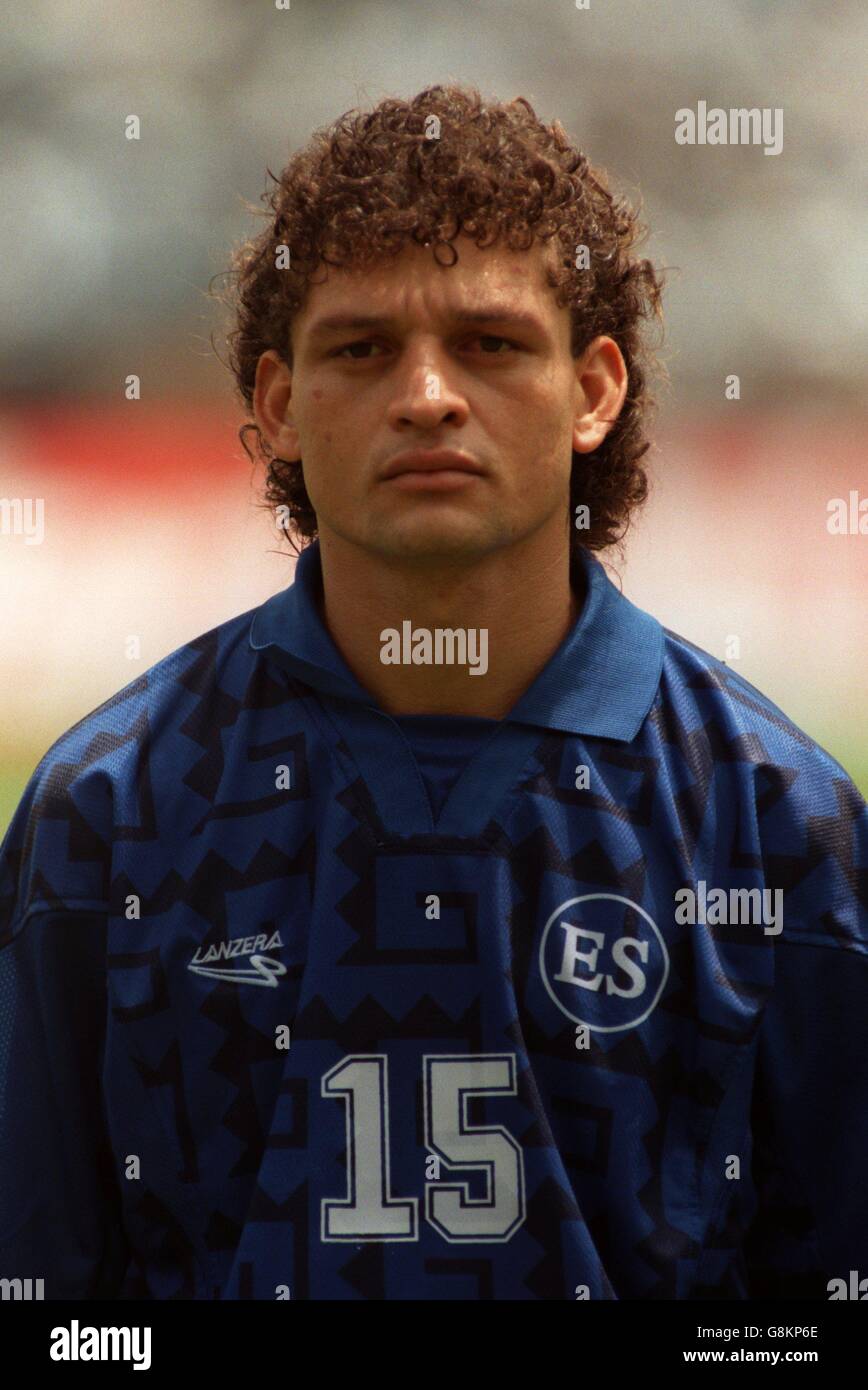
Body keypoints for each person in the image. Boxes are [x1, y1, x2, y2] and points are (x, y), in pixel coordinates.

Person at [1, 83, 865, 1301]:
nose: (425, 396)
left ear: (593, 390)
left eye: (490, 344)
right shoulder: (108, 811)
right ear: (279, 404)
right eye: (361, 348)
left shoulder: (778, 824)